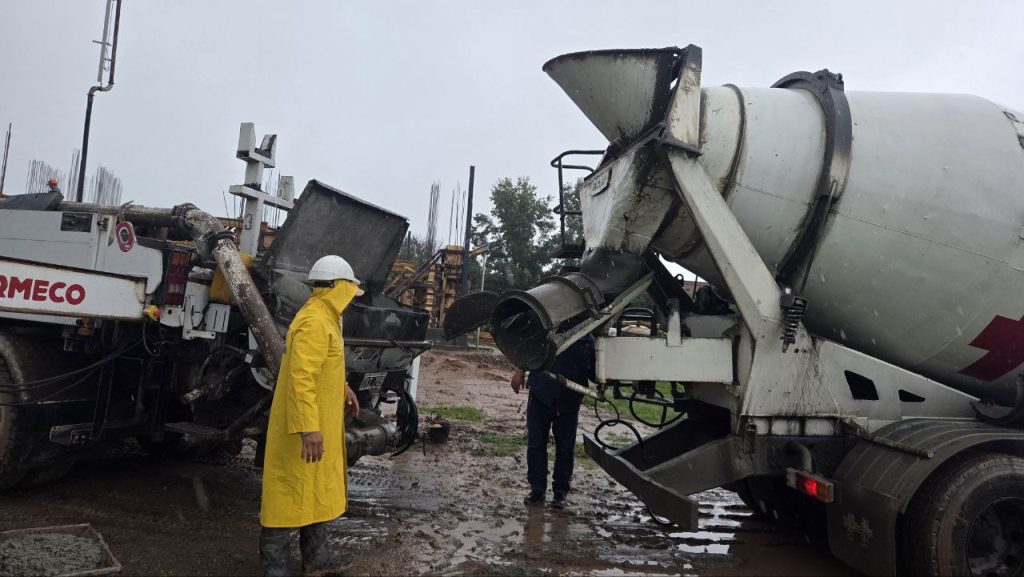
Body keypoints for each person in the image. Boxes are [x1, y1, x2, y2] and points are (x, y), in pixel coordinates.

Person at [259, 255, 364, 577]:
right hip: (302, 433)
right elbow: (300, 377)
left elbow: (322, 365)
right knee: (285, 498)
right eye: (349, 292)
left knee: (316, 490)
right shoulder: (315, 321)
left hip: (318, 427)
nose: (351, 300)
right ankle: (275, 570)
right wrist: (308, 429)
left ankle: (317, 560)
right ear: (336, 288)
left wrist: (343, 386)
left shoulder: (326, 317)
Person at [510, 334, 596, 510]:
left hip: (570, 399)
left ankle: (560, 492)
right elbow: (531, 349)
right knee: (536, 444)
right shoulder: (548, 329)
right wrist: (519, 371)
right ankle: (537, 489)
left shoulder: (587, 339)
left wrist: (606, 378)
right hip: (541, 392)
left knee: (565, 448)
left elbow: (595, 372)